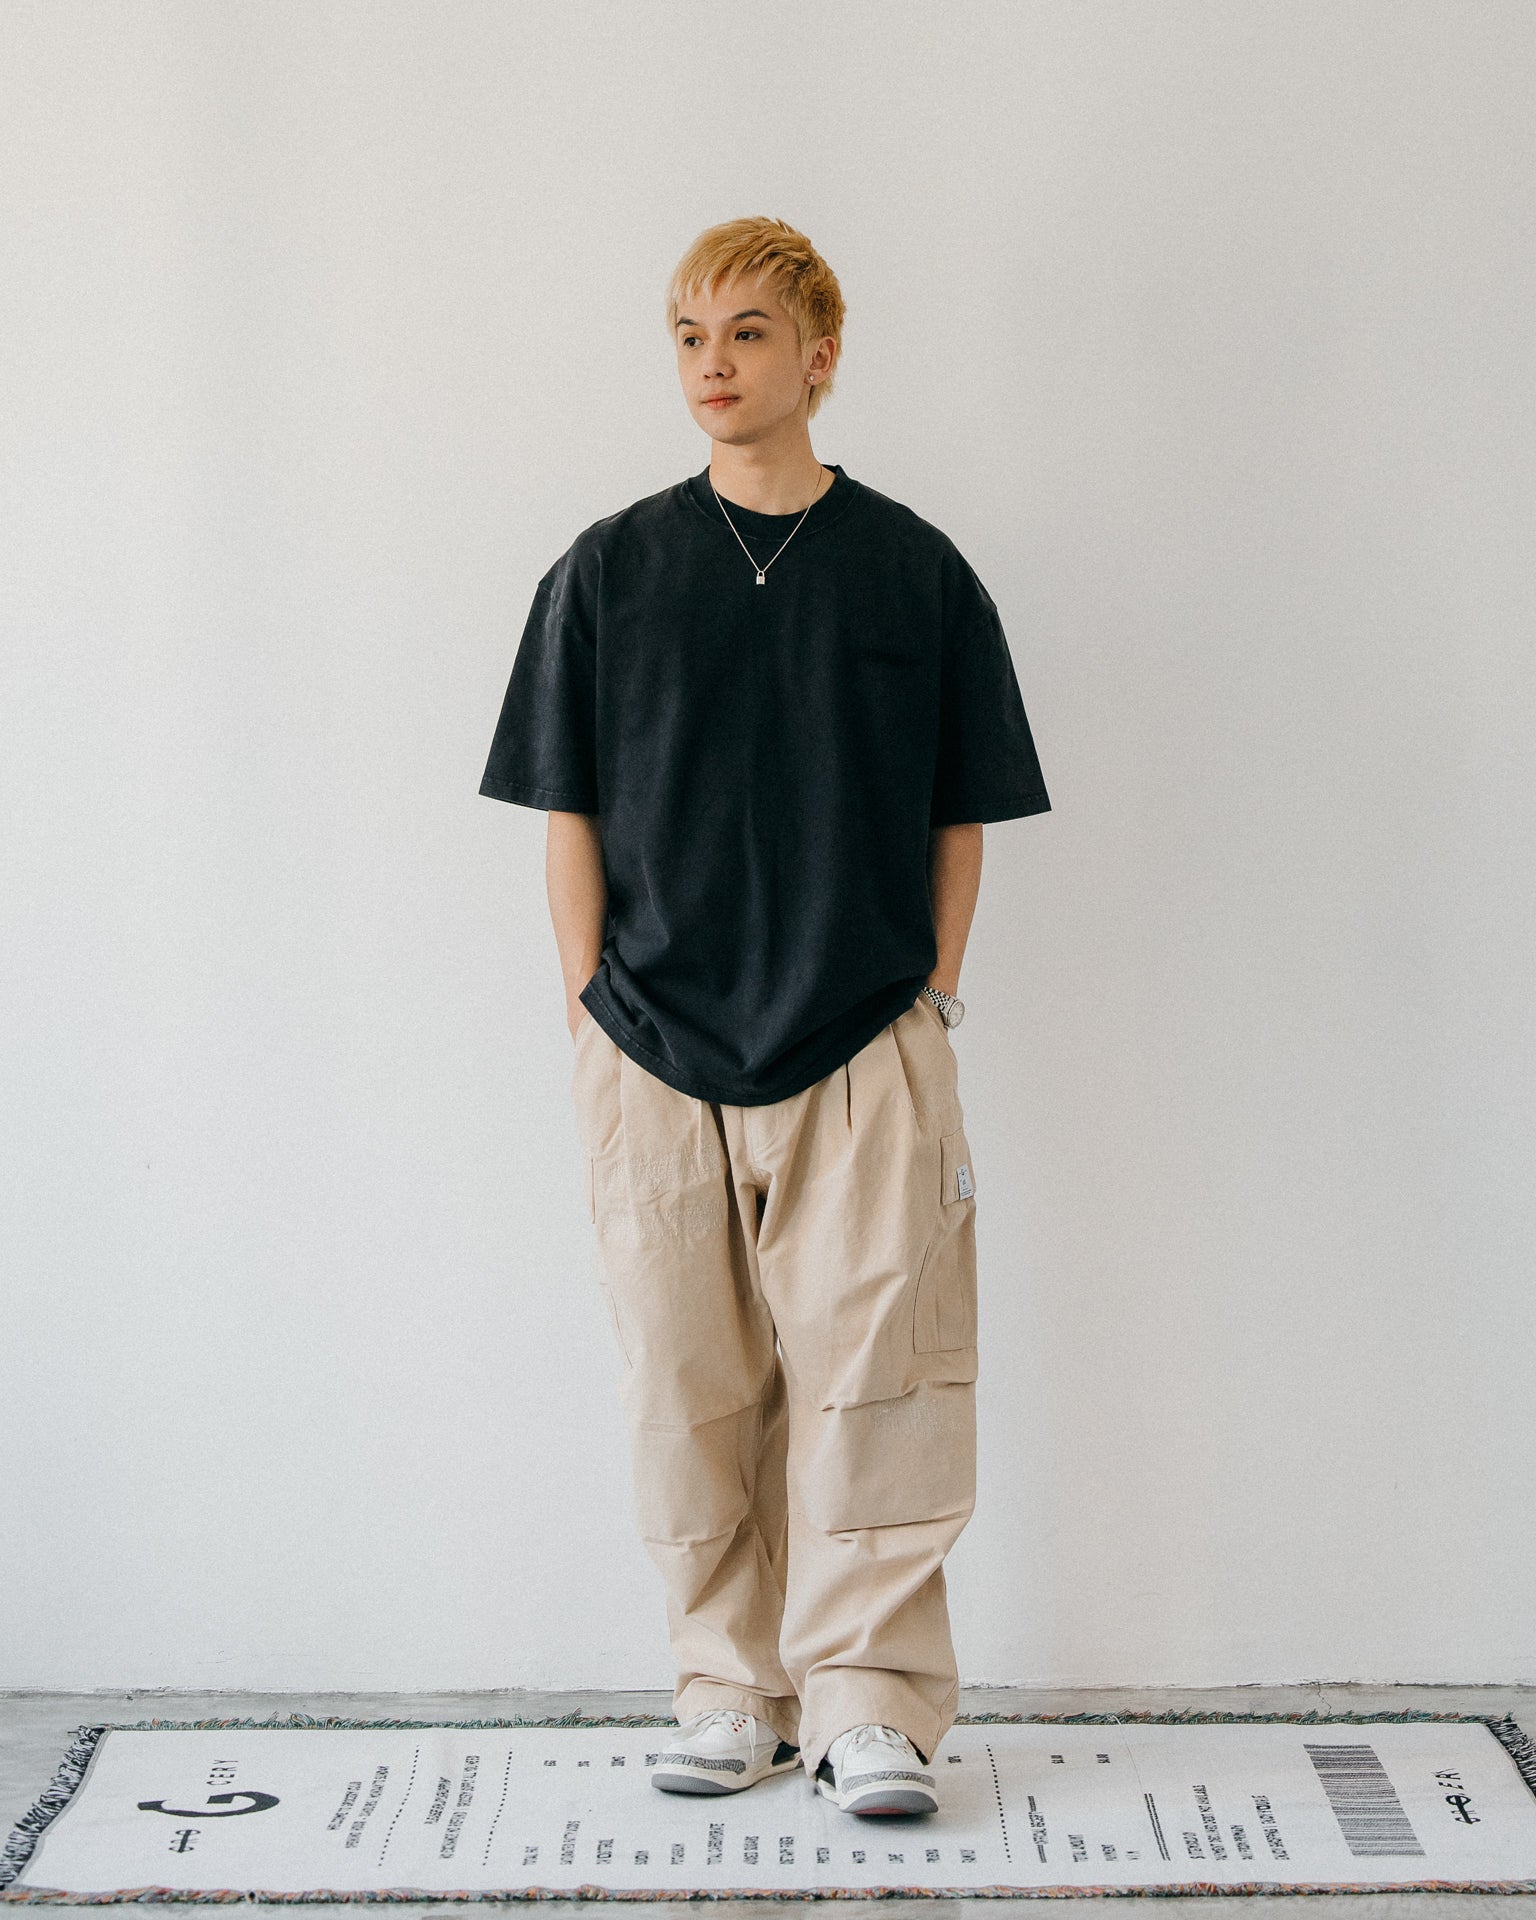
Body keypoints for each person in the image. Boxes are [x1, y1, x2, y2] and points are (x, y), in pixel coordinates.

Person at [478, 216, 1050, 1818]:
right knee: (688, 1389)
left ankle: (869, 1704)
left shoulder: (913, 570)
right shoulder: (607, 570)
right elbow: (567, 811)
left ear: (820, 353)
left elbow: (963, 809)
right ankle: (731, 1692)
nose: (711, 364)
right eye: (686, 335)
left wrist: (933, 996)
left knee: (882, 1385)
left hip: (863, 1037)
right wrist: (589, 1011)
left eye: (744, 332)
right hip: (651, 1047)